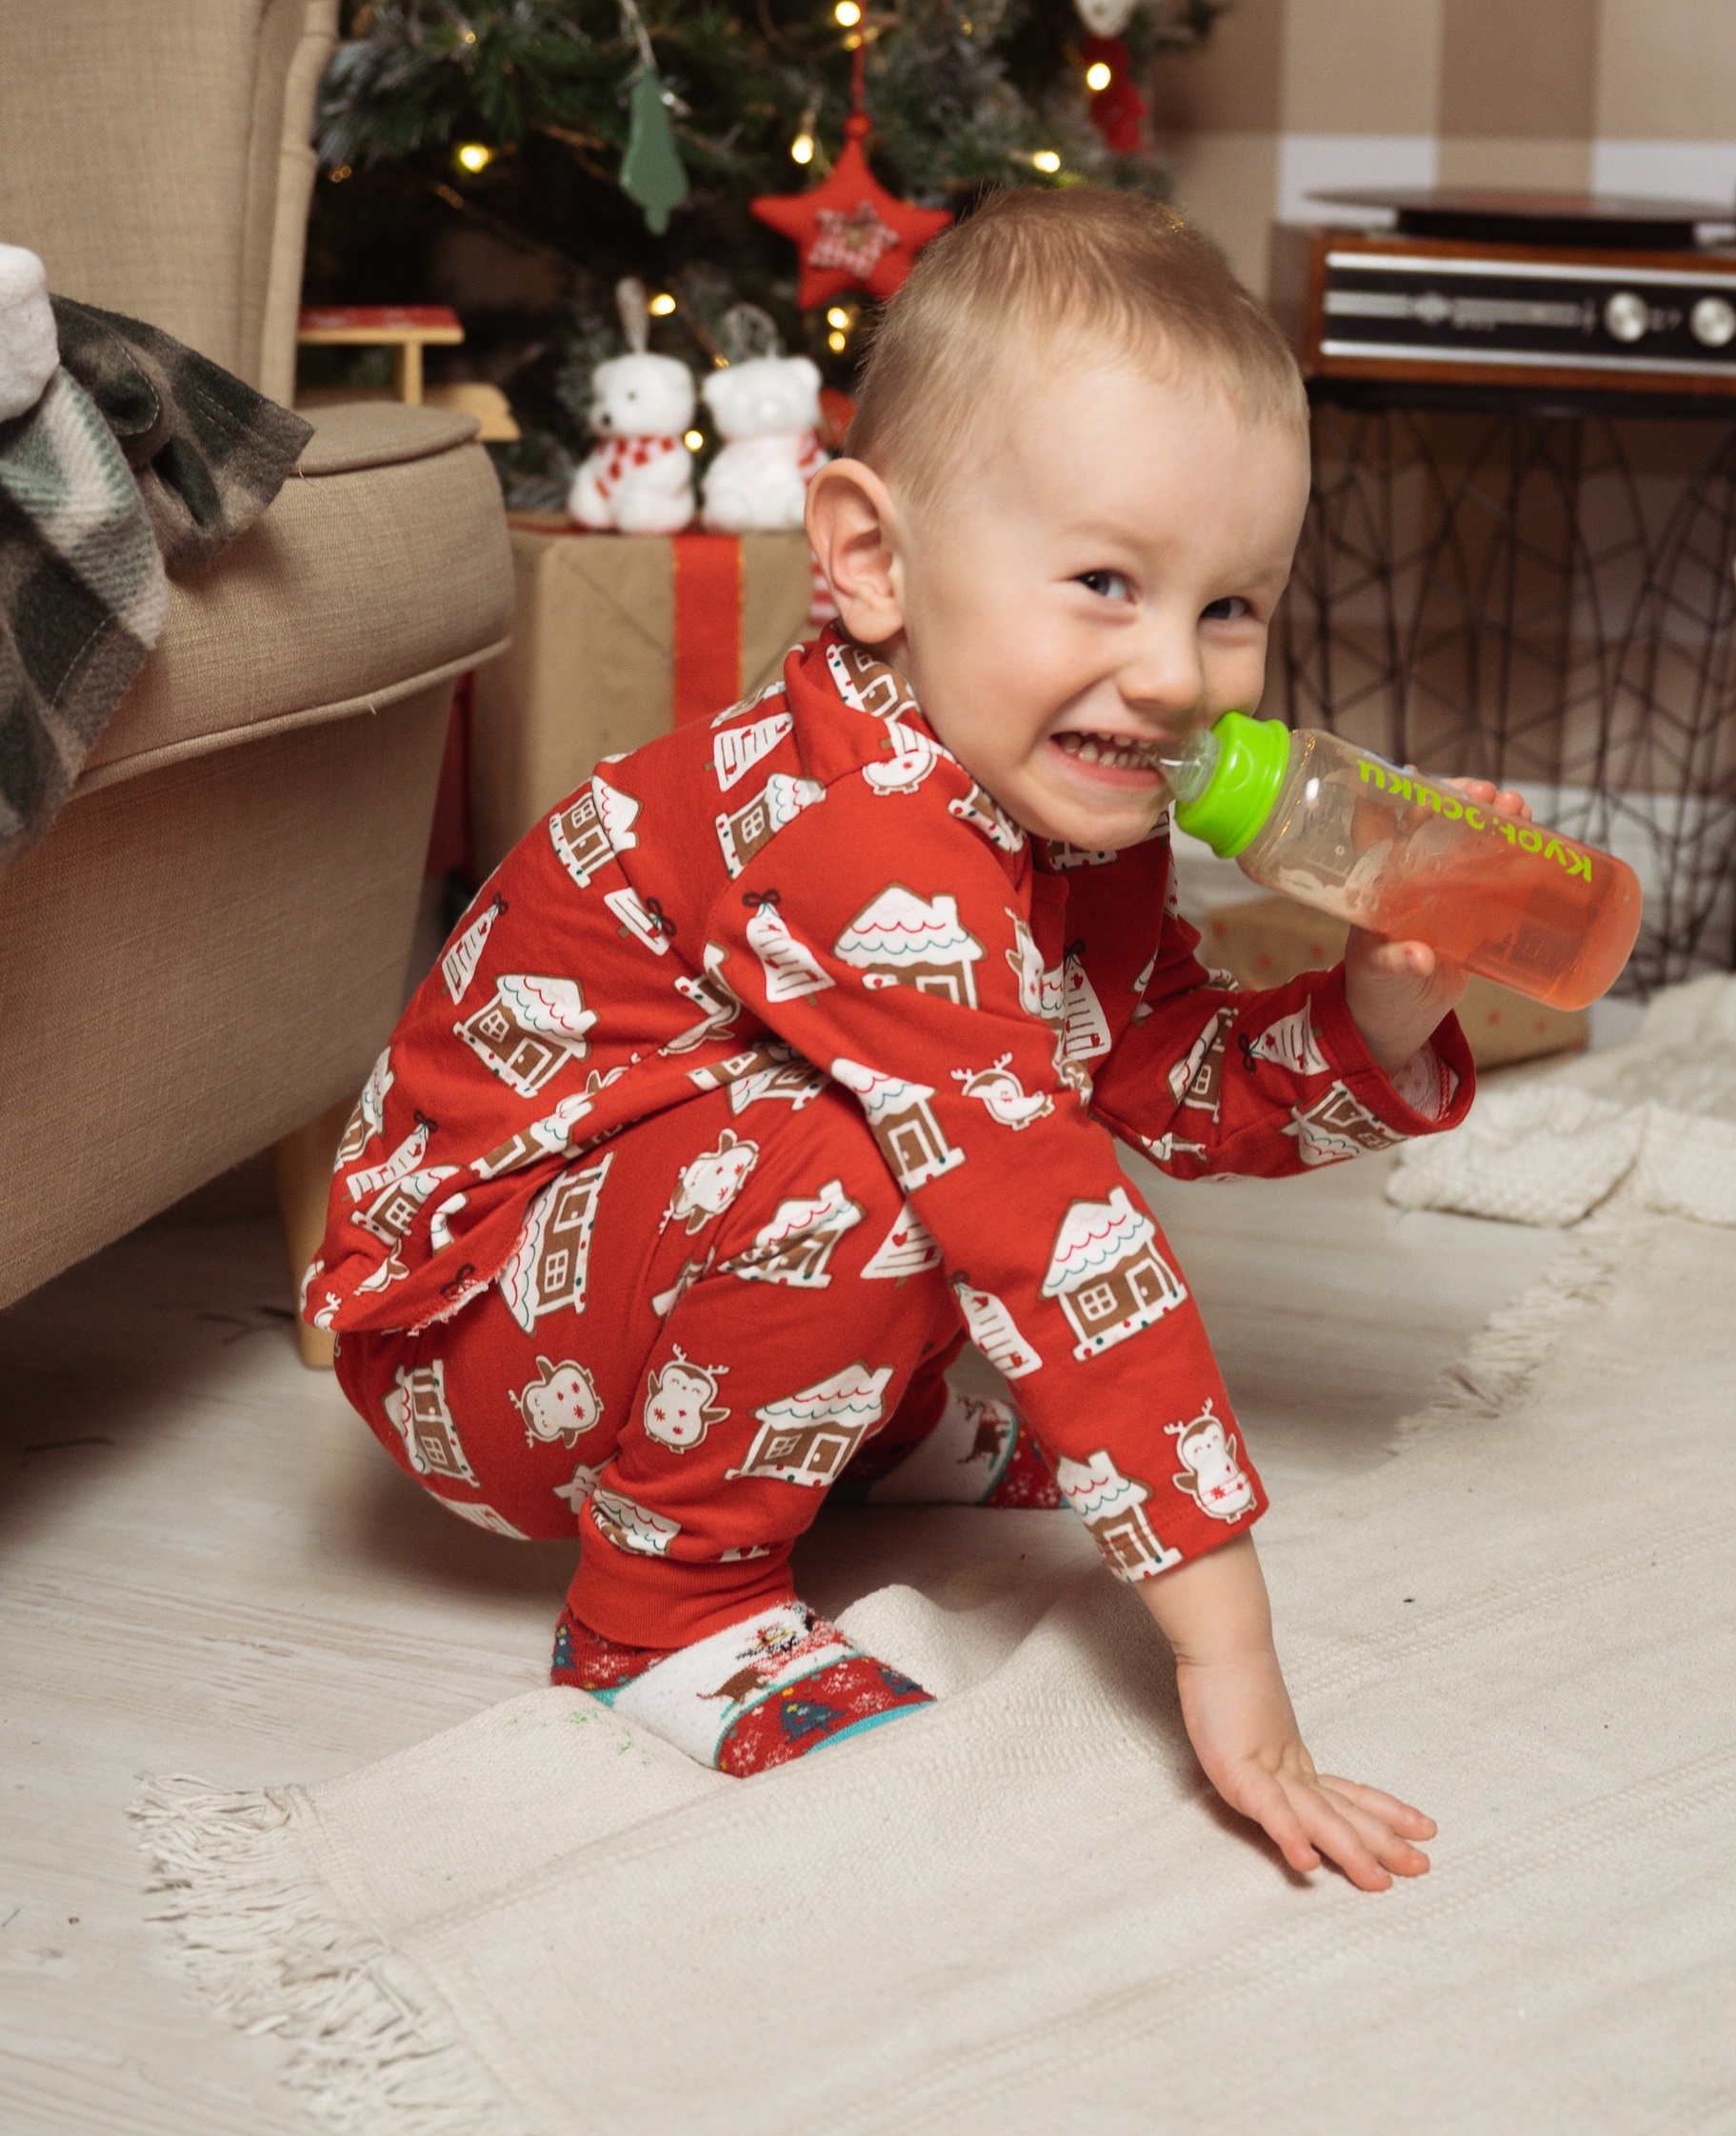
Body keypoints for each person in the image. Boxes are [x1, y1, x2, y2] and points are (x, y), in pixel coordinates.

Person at [311, 189, 1502, 1890]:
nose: (1175, 673)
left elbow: (1157, 1075)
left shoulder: (1065, 794)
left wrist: (1380, 1004)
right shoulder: (854, 833)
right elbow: (1053, 1216)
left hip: (645, 1257)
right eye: (1105, 581)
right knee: (904, 1159)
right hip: (472, 1325)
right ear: (871, 559)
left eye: (1230, 605)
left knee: (938, 1132)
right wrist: (1227, 1649)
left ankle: (849, 1422)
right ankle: (663, 1610)